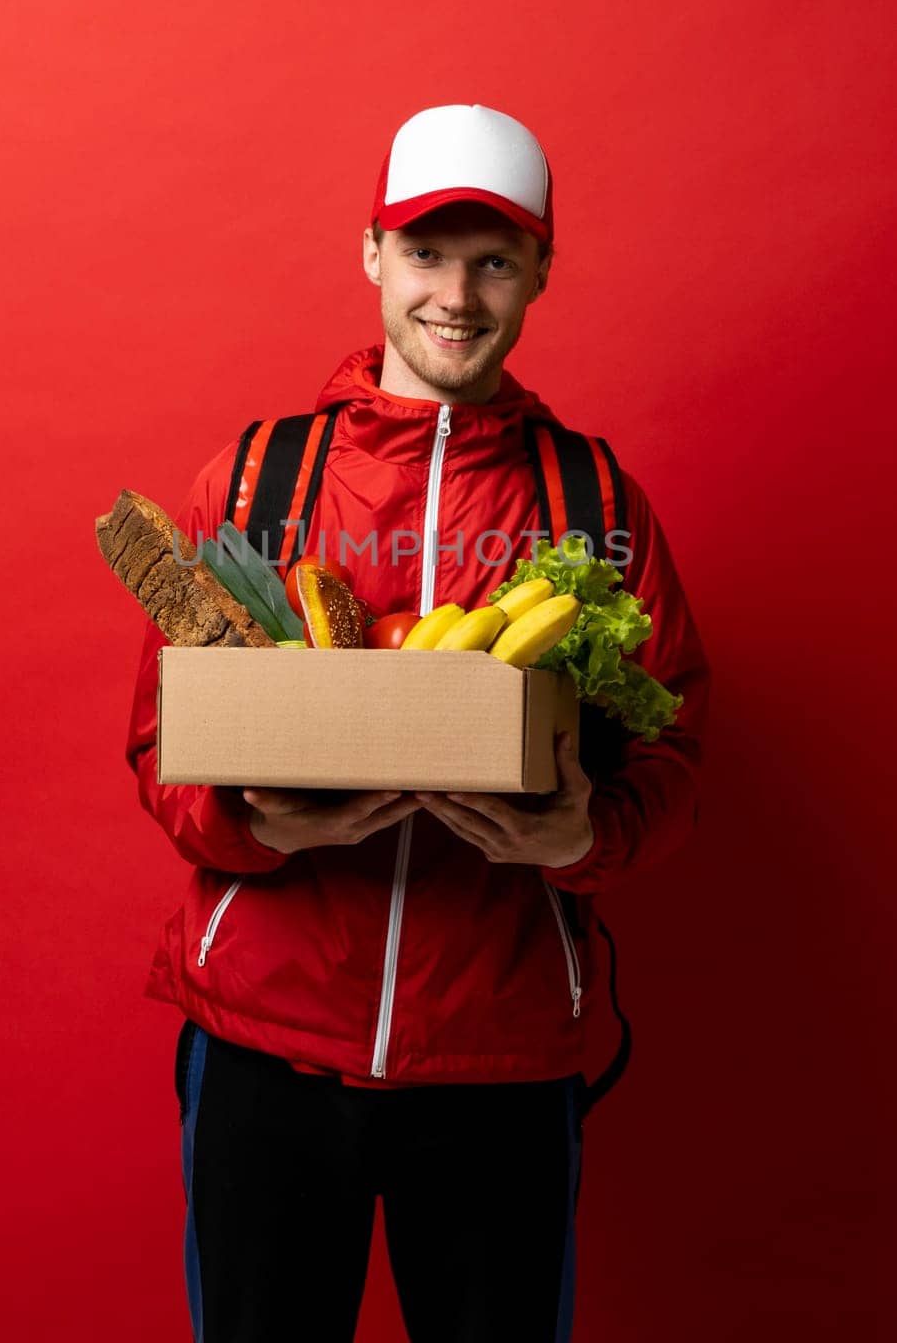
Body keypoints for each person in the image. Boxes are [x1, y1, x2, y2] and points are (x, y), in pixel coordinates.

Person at [125, 103, 711, 1343]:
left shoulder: (598, 501)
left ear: (542, 268)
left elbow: (674, 761)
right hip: (266, 1049)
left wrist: (580, 839)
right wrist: (252, 819)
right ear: (371, 255)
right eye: (428, 251)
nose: (458, 293)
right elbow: (157, 746)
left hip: (500, 1063)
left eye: (495, 259)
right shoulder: (251, 479)